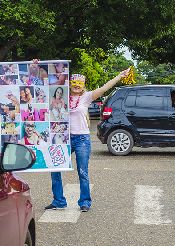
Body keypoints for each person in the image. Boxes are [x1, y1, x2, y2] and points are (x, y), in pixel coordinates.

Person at [43, 64, 130, 212]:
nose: (76, 86)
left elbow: (104, 88)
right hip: (63, 138)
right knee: (55, 168)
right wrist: (34, 65)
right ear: (70, 84)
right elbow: (44, 84)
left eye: (79, 84)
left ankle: (85, 202)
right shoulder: (61, 95)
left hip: (82, 139)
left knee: (82, 172)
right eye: (74, 84)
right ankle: (59, 200)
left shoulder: (87, 97)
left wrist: (120, 76)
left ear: (83, 86)